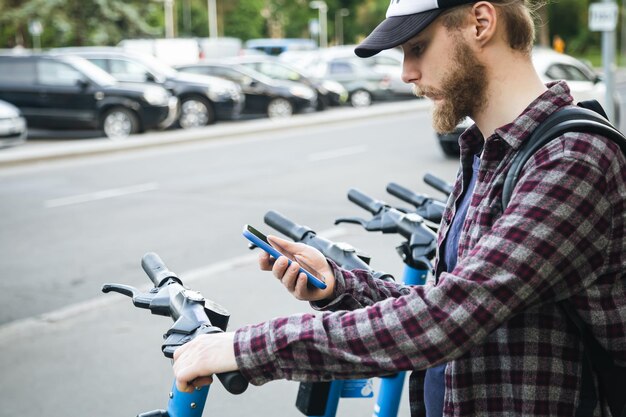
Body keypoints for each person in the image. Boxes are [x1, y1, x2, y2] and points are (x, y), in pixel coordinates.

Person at [172, 1, 626, 416]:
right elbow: (453, 306)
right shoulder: (491, 153)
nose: (407, 73)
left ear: (481, 23)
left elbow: (451, 315)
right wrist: (340, 287)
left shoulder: (572, 159)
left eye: (418, 48)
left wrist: (245, 349)